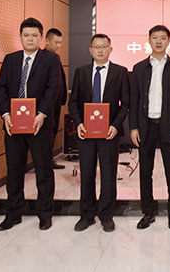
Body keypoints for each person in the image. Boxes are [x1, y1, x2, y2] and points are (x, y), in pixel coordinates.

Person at [0, 17, 60, 231]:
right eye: (26, 35)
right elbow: (1, 88)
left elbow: (53, 88)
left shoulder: (50, 59)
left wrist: (42, 113)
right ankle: (13, 214)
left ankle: (45, 214)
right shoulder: (10, 59)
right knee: (14, 170)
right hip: (13, 124)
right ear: (20, 37)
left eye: (34, 35)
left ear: (41, 38)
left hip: (39, 124)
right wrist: (5, 114)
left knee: (43, 169)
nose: (30, 39)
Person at [69, 34, 129, 233]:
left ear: (110, 49)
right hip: (86, 132)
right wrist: (78, 123)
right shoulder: (81, 72)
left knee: (108, 175)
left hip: (109, 132)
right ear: (90, 50)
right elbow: (73, 102)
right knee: (86, 173)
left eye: (104, 47)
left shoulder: (120, 72)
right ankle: (86, 215)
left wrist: (115, 125)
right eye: (96, 47)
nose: (100, 50)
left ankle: (106, 215)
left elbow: (125, 103)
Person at [130, 25, 170, 230]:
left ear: (169, 41)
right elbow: (134, 100)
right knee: (145, 171)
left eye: (163, 38)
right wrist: (134, 127)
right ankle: (148, 212)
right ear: (149, 40)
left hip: (168, 126)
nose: (159, 41)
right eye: (155, 38)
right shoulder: (139, 68)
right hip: (145, 126)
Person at [44, 28, 67, 170]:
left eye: (60, 43)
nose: (58, 45)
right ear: (47, 41)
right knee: (48, 134)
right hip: (48, 104)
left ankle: (49, 160)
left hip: (56, 103)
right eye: (55, 42)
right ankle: (46, 162)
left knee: (53, 132)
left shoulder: (55, 57)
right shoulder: (43, 58)